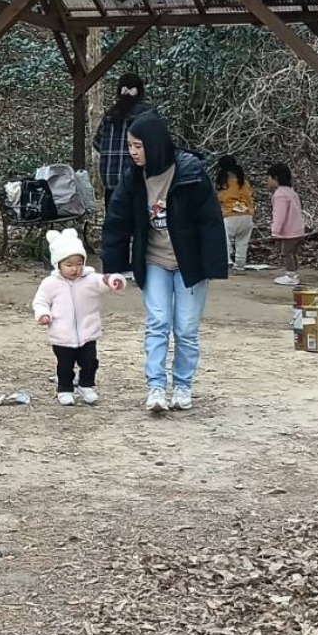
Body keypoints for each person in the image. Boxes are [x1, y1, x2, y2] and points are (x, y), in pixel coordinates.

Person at [101, 109, 229, 414]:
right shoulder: (131, 180)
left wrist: (212, 265)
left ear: (155, 144)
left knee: (185, 328)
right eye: (130, 146)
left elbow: (210, 223)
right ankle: (156, 386)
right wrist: (113, 268)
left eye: (137, 146)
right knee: (158, 323)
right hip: (154, 261)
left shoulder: (191, 173)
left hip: (189, 265)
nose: (132, 152)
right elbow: (117, 224)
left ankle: (182, 386)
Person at [33, 227, 124, 406]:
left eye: (79, 263)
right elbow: (40, 302)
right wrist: (43, 314)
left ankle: (86, 385)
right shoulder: (50, 284)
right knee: (65, 365)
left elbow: (104, 281)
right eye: (69, 265)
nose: (75, 269)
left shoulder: (90, 279)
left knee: (90, 362)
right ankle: (65, 389)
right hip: (62, 335)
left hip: (88, 332)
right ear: (58, 264)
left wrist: (114, 280)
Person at [94, 73, 146, 208]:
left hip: (111, 183)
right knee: (138, 226)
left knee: (114, 225)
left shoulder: (109, 116)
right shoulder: (147, 115)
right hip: (138, 183)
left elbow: (97, 144)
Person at [267, 163, 305, 287]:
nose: (267, 180)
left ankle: (291, 275)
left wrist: (275, 231)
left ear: (276, 178)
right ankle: (293, 274)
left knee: (286, 253)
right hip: (297, 229)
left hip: (289, 231)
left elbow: (279, 215)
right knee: (292, 252)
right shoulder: (291, 192)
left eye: (269, 177)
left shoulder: (280, 195)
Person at [216, 156, 255, 274]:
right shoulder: (244, 182)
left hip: (230, 215)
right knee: (242, 242)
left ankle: (227, 262)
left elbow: (219, 198)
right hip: (247, 215)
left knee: (224, 239)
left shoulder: (223, 182)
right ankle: (240, 266)